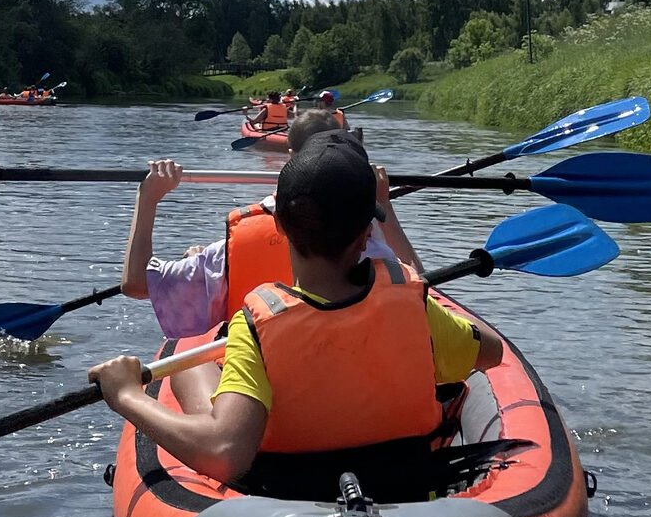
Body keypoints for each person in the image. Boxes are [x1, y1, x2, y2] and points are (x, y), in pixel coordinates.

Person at [91, 133, 504, 490]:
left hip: (286, 491)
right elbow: (491, 354)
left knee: (186, 360)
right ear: (366, 236)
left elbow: (224, 454)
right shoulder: (414, 304)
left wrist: (126, 394)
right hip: (408, 485)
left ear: (281, 226)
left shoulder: (255, 325)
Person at [122, 111, 418, 342]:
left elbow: (135, 283)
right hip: (350, 377)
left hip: (267, 384)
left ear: (291, 157)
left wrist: (147, 198)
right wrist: (384, 207)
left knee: (188, 367)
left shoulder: (232, 248)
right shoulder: (368, 229)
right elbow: (422, 286)